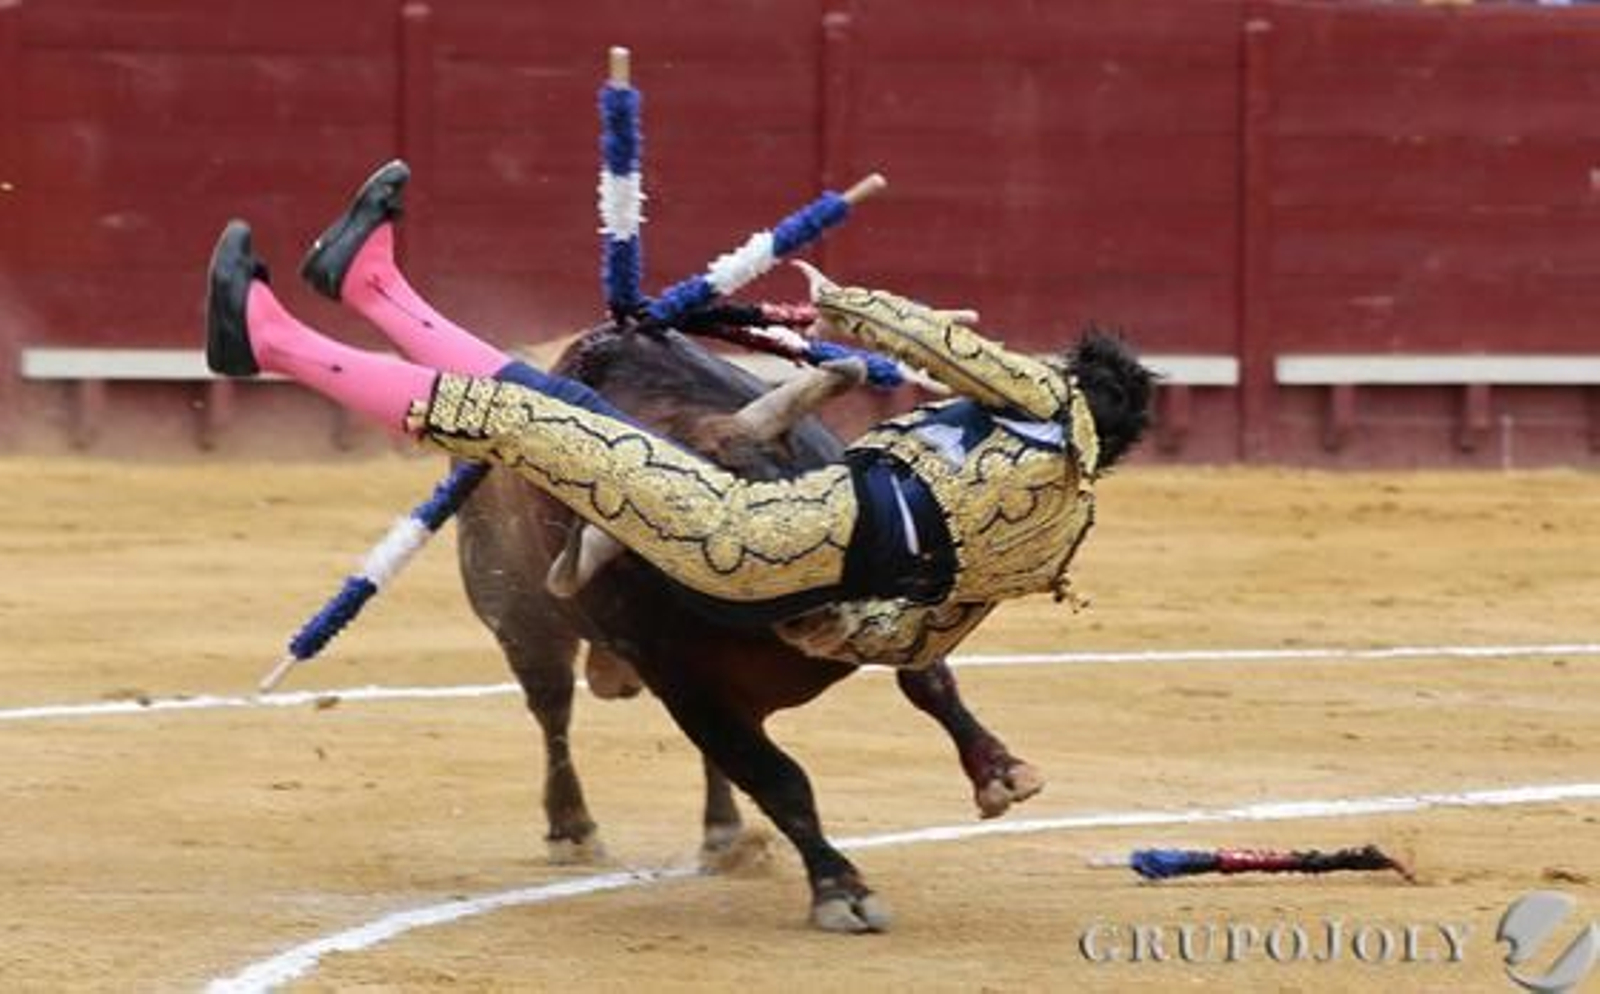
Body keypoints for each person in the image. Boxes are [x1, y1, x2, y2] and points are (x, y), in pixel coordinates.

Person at [205, 162, 1156, 668]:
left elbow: (944, 350)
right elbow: (916, 639)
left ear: (1079, 386)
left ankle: (272, 344)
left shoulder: (1048, 400)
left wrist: (843, 304)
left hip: (738, 530)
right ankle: (372, 289)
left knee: (516, 425)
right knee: (569, 411)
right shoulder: (1056, 535)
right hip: (764, 576)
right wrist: (812, 628)